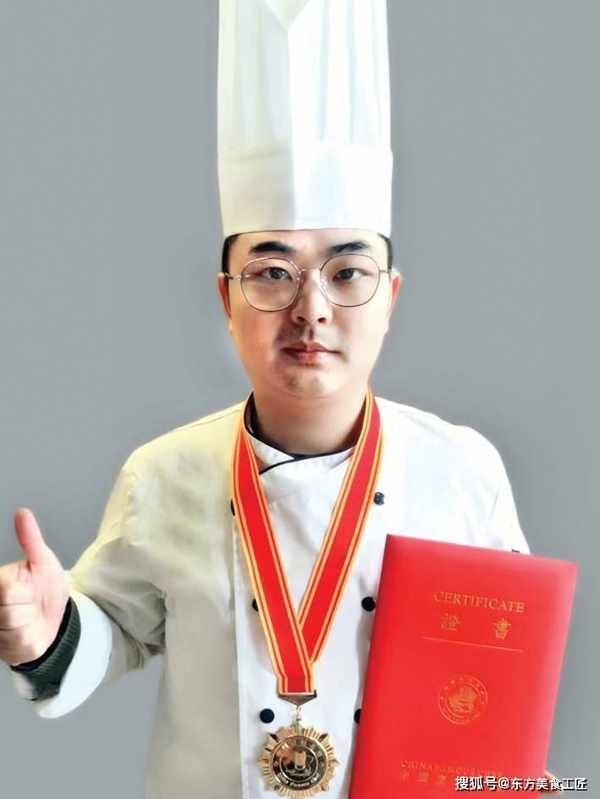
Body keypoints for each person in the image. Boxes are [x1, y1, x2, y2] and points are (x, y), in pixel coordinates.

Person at [0, 1, 561, 797]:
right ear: (226, 299)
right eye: (272, 272)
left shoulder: (463, 470)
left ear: (391, 296)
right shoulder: (162, 473)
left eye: (347, 271)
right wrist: (47, 630)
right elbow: (111, 633)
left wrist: (505, 773)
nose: (311, 309)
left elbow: (501, 674)